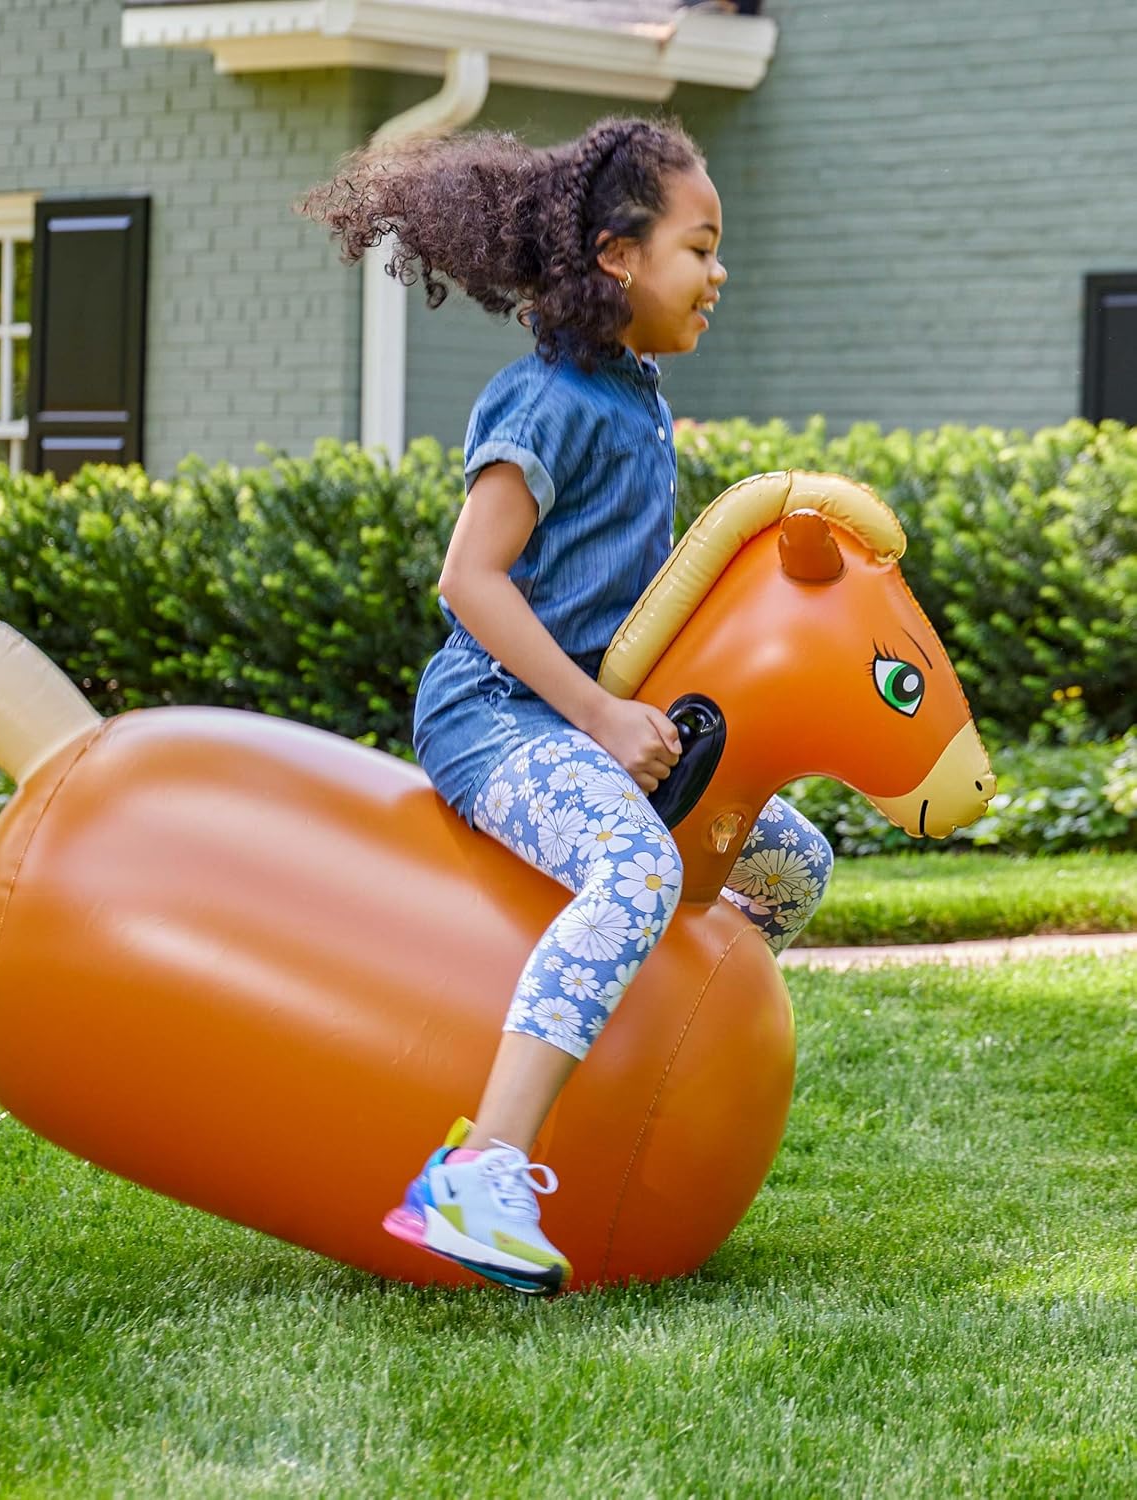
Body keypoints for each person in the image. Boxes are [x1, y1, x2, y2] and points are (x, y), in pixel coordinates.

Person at [299, 116, 834, 1295]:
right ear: (616, 257)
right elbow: (469, 581)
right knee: (639, 869)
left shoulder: (637, 397)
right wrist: (597, 715)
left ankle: (656, 1055)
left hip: (587, 717)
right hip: (495, 716)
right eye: (700, 247)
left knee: (793, 862)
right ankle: (477, 1172)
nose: (720, 273)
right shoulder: (544, 400)